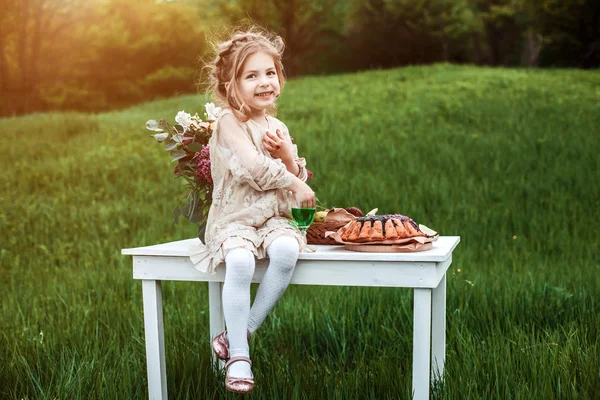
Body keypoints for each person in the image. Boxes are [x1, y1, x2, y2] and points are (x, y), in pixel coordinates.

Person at [188, 27, 315, 394]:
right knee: (241, 262)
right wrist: (296, 182)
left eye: (271, 73)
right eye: (252, 75)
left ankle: (241, 331)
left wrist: (290, 158)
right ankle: (240, 357)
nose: (265, 82)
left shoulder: (278, 126)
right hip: (235, 218)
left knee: (288, 250)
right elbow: (257, 171)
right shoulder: (230, 123)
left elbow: (287, 175)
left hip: (273, 218)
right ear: (231, 85)